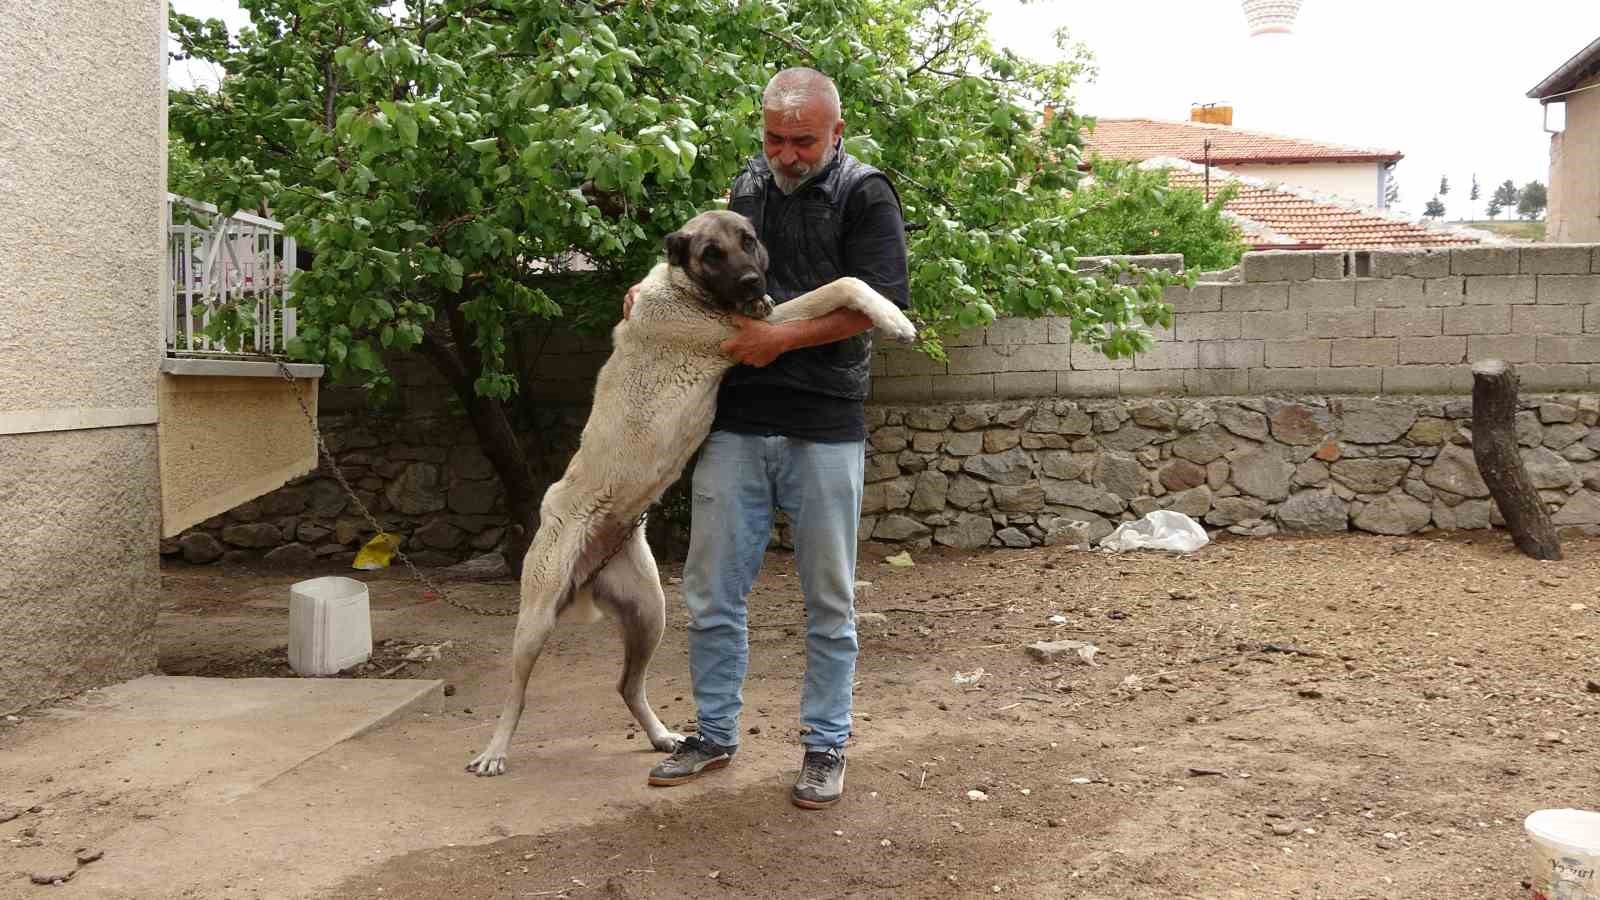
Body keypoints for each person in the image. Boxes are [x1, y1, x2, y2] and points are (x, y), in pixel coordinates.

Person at [623, 67, 909, 809]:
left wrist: (779, 343)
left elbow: (878, 306)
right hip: (738, 422)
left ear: (835, 132)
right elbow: (698, 270)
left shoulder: (865, 193)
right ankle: (714, 734)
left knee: (828, 601)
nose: (786, 154)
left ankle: (825, 746)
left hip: (824, 422)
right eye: (775, 139)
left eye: (803, 141)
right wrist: (648, 292)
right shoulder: (745, 186)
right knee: (712, 593)